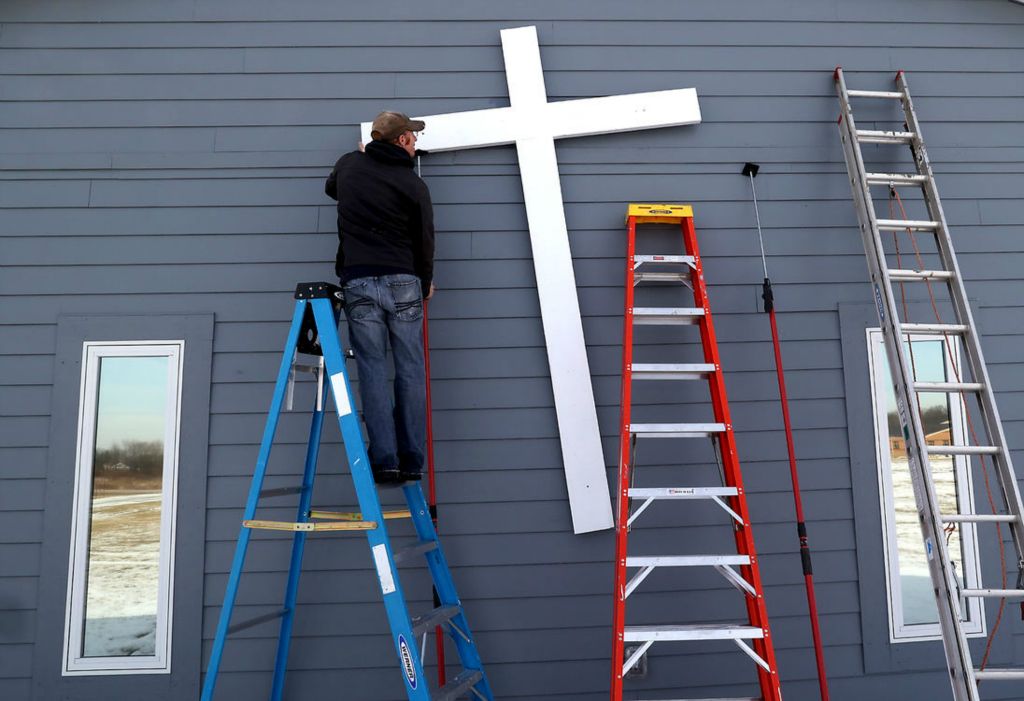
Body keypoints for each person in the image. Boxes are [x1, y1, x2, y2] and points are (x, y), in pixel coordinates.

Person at [324, 111, 435, 484]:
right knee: (409, 370)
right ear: (402, 140)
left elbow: (331, 187)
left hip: (358, 281)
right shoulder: (412, 184)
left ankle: (384, 459)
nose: (416, 144)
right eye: (413, 138)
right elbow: (425, 239)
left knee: (372, 369)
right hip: (403, 280)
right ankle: (411, 460)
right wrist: (426, 281)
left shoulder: (349, 166)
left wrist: (359, 157)